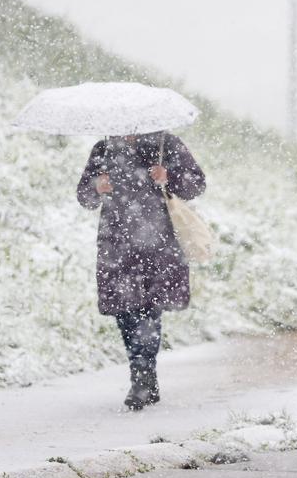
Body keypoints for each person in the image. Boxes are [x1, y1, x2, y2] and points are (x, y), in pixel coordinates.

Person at [76, 130, 206, 410]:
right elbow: (84, 197)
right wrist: (96, 187)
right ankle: (145, 376)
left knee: (149, 309)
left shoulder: (165, 143)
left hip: (158, 244)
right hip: (117, 245)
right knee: (124, 311)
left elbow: (196, 184)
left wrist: (168, 176)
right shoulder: (104, 148)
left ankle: (142, 379)